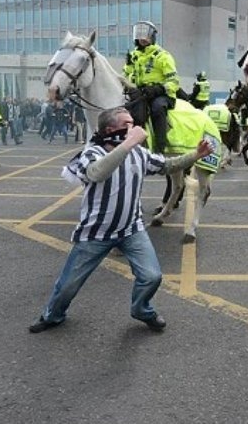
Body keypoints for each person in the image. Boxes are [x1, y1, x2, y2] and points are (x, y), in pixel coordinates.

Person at [29, 106, 214, 334]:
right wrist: (128, 144)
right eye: (127, 124)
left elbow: (167, 165)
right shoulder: (92, 152)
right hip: (96, 233)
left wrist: (196, 155)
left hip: (131, 229)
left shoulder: (139, 153)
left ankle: (141, 309)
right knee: (68, 284)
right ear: (110, 130)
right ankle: (53, 315)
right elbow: (96, 173)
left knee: (152, 276)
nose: (135, 127)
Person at [123, 21, 180, 154]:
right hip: (140, 93)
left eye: (145, 35)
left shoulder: (163, 56)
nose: (142, 38)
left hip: (161, 94)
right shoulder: (134, 56)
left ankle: (160, 148)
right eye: (139, 34)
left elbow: (174, 81)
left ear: (152, 37)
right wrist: (128, 66)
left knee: (157, 108)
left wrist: (158, 89)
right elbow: (125, 75)